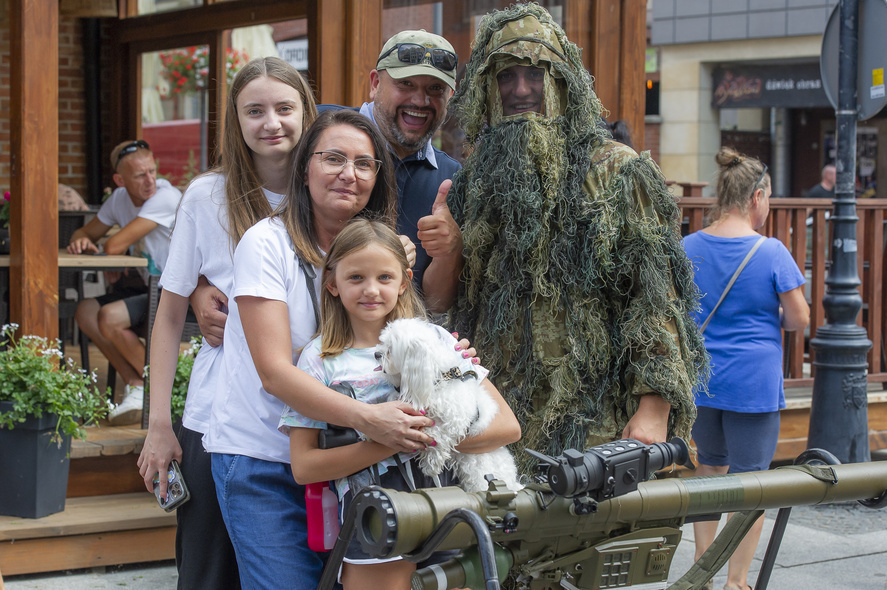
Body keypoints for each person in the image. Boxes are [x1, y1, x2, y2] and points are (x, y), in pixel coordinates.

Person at [444, 3, 708, 472]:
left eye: (535, 73)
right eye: (505, 76)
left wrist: (654, 409)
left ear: (562, 81)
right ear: (487, 88)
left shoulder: (615, 171)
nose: (521, 89)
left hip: (594, 421)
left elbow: (655, 299)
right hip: (502, 421)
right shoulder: (477, 181)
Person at [203, 109, 442, 588]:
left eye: (364, 163)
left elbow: (402, 344)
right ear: (305, 167)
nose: (348, 174)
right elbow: (274, 372)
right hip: (264, 461)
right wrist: (371, 422)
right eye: (333, 158)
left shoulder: (378, 256)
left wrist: (452, 366)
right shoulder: (266, 244)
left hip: (352, 465)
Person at [136, 56, 318, 590]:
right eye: (254, 111)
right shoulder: (207, 196)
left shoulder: (328, 192)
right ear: (235, 123)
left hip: (309, 424)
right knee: (209, 575)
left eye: (285, 108)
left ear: (306, 112)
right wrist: (159, 425)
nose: (272, 123)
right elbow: (168, 318)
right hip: (218, 425)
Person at [280, 219, 520, 589]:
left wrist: (426, 437)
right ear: (332, 283)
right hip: (374, 513)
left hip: (453, 502)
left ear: (405, 281)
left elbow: (507, 427)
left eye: (385, 278)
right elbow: (305, 467)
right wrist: (384, 442)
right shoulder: (318, 361)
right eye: (356, 277)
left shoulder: (436, 339)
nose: (371, 290)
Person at [683, 147, 809, 590]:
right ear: (757, 197)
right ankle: (737, 581)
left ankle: (702, 569)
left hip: (702, 382)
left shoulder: (689, 246)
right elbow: (799, 320)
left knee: (708, 472)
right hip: (753, 385)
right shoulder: (771, 252)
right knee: (751, 483)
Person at [320, 29, 464, 310]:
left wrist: (450, 252)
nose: (420, 101)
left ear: (450, 96)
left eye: (435, 89)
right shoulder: (319, 129)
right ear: (375, 83)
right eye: (406, 83)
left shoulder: (454, 179)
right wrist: (208, 279)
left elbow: (435, 307)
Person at [67, 139, 181, 425]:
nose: (150, 180)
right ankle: (136, 383)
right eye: (140, 175)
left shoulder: (165, 197)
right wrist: (82, 241)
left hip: (177, 294)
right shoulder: (118, 199)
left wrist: (108, 248)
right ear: (120, 180)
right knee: (86, 312)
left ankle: (172, 388)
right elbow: (82, 233)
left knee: (110, 317)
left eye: (152, 171)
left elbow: (116, 244)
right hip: (148, 288)